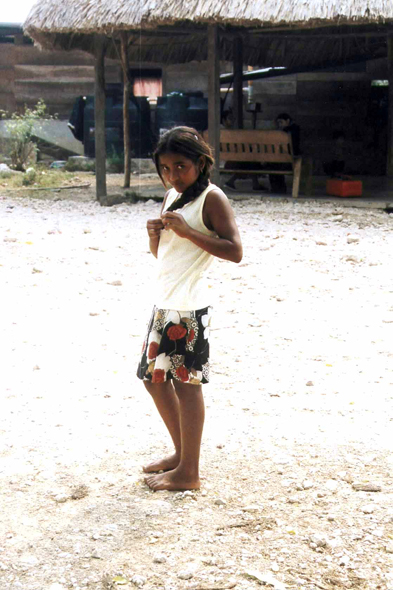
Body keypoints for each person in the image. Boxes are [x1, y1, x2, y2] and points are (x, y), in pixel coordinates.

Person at [137, 126, 243, 492]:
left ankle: (189, 473)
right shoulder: (171, 196)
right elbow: (164, 256)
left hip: (188, 310)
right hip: (165, 303)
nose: (172, 175)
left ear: (201, 163)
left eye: (180, 166)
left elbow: (234, 250)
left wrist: (187, 232)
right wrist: (156, 237)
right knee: (153, 381)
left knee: (186, 386)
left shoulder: (213, 198)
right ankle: (182, 456)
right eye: (165, 168)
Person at [269, 113, 301, 194]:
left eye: (281, 122)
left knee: (273, 164)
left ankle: (276, 188)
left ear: (288, 121)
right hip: (289, 161)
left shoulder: (284, 132)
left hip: (282, 161)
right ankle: (280, 188)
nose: (279, 125)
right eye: (278, 123)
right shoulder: (296, 130)